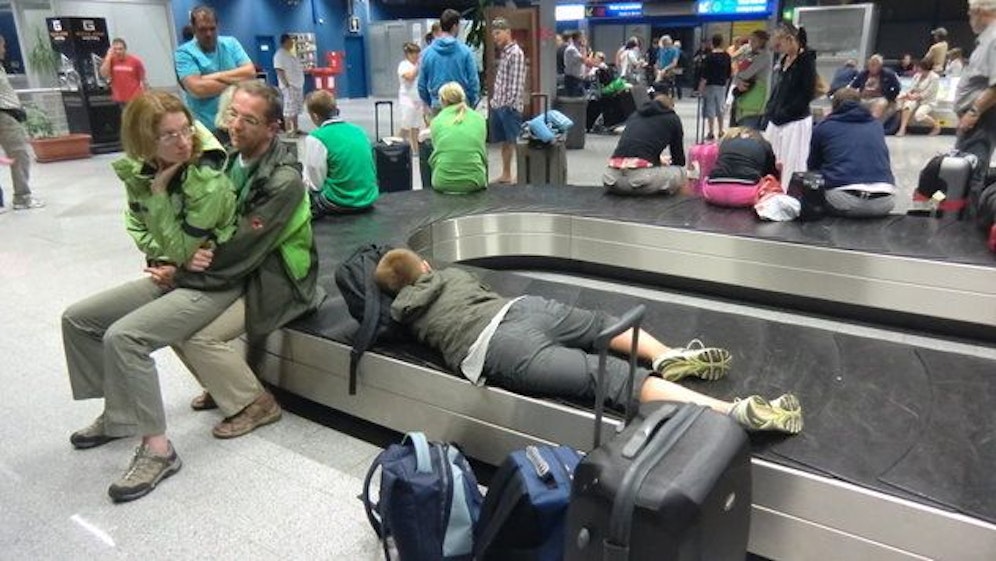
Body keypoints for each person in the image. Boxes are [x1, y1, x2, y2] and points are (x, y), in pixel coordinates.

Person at [374, 248, 804, 434]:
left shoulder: (402, 314)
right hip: (523, 309)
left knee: (612, 380)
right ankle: (666, 354)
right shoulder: (452, 275)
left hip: (498, 348)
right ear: (425, 266)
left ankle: (732, 412)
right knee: (602, 324)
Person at [62, 91, 240, 502]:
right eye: (169, 135)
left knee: (125, 337)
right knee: (78, 319)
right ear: (144, 140)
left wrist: (161, 201)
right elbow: (140, 228)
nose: (183, 142)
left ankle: (158, 449)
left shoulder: (206, 177)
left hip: (213, 281)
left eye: (186, 130)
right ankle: (120, 414)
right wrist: (168, 258)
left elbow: (187, 249)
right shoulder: (138, 171)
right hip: (174, 273)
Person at [175, 80, 323, 438]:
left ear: (273, 128)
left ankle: (257, 404)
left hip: (278, 277)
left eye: (249, 120)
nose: (235, 126)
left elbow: (242, 246)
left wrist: (184, 273)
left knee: (198, 335)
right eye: (233, 115)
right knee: (170, 321)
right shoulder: (228, 160)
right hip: (243, 269)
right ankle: (223, 384)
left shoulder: (283, 180)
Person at [808, 88, 896, 218]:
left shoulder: (823, 127)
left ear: (834, 106)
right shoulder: (876, 125)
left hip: (845, 199)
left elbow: (813, 165)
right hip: (885, 201)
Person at [953, 0, 996, 251]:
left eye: (970, 13)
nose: (969, 18)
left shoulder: (994, 39)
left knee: (971, 174)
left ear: (982, 11)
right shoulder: (986, 39)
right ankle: (960, 221)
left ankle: (964, 232)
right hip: (975, 119)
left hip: (981, 120)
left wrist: (973, 111)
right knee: (963, 171)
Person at [174, 6, 255, 135]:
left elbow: (250, 72)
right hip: (207, 128)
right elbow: (198, 89)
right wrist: (238, 82)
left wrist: (214, 76)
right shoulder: (184, 53)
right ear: (193, 28)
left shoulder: (231, 43)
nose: (209, 34)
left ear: (218, 26)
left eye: (212, 28)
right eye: (202, 29)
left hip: (236, 124)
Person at [303, 90, 378, 217]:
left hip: (339, 202)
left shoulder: (317, 138)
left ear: (315, 116)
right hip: (368, 198)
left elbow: (315, 184)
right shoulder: (358, 131)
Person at [764, 22, 818, 191]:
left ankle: (790, 194)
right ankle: (770, 190)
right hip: (777, 119)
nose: (778, 49)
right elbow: (778, 89)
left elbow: (806, 94)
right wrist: (771, 109)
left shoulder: (806, 61)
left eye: (780, 45)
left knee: (792, 163)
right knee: (770, 159)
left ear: (790, 39)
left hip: (795, 120)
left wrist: (785, 112)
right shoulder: (784, 60)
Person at [603, 94, 686, 196]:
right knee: (681, 172)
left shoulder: (635, 115)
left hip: (611, 179)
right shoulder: (673, 118)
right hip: (639, 182)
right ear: (670, 107)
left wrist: (658, 160)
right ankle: (680, 203)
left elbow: (636, 147)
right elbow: (679, 160)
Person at [0, 35, 40, 212]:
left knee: (19, 155)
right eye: (2, 46)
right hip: (4, 116)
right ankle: (22, 197)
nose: (4, 50)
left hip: (9, 114)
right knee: (19, 155)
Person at [418, 9, 480, 114]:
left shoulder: (427, 53)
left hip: (438, 105)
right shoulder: (465, 52)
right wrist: (470, 102)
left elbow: (421, 86)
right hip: (461, 106)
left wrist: (432, 102)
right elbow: (473, 82)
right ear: (455, 26)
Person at [429, 82, 487, 193]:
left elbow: (437, 153)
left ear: (443, 101)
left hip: (442, 182)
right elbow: (482, 152)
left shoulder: (436, 121)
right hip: (475, 181)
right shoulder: (479, 119)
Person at [489, 18, 526, 185]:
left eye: (498, 33)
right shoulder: (505, 53)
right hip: (500, 104)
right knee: (506, 142)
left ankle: (521, 174)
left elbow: (516, 84)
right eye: (493, 34)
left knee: (515, 141)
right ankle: (506, 173)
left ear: (508, 32)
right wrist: (495, 102)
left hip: (509, 107)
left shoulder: (516, 53)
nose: (495, 37)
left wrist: (509, 105)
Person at [732, 30, 772, 129]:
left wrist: (737, 76)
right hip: (742, 98)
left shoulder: (764, 56)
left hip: (754, 97)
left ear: (761, 42)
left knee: (748, 131)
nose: (751, 43)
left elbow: (746, 73)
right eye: (750, 40)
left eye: (754, 41)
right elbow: (733, 59)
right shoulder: (747, 51)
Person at [849, 54, 902, 121]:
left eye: (874, 65)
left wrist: (889, 97)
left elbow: (897, 88)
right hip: (863, 97)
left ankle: (872, 123)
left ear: (880, 66)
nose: (871, 67)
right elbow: (853, 86)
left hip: (879, 98)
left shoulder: (888, 74)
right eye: (870, 64)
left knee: (880, 104)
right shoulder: (863, 74)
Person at [897, 58, 941, 136]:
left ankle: (936, 125)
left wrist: (915, 97)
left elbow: (927, 93)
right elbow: (911, 87)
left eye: (920, 67)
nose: (918, 68)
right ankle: (902, 128)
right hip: (914, 98)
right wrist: (909, 94)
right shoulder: (917, 75)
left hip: (927, 101)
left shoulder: (934, 77)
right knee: (907, 106)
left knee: (919, 115)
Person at [699, 34, 732, 141]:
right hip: (721, 85)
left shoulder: (709, 57)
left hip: (710, 85)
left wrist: (700, 89)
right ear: (722, 42)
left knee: (710, 108)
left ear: (712, 43)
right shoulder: (727, 56)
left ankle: (711, 131)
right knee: (720, 108)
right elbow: (729, 73)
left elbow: (705, 74)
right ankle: (721, 130)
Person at [99, 37, 147, 105]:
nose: (118, 51)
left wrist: (146, 94)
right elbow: (104, 74)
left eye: (120, 49)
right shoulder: (110, 61)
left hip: (135, 98)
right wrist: (108, 56)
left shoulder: (135, 61)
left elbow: (143, 79)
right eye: (115, 49)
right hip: (119, 98)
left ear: (125, 49)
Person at [273, 33, 305, 136]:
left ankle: (295, 129)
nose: (292, 43)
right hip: (289, 86)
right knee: (289, 109)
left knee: (296, 109)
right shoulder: (279, 55)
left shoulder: (290, 54)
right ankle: (288, 131)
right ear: (285, 42)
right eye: (290, 41)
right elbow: (279, 70)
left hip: (297, 85)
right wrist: (286, 84)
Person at [397, 42, 422, 152]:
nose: (416, 56)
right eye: (414, 54)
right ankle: (396, 147)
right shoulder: (403, 65)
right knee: (405, 126)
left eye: (418, 53)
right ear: (408, 54)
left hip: (418, 99)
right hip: (407, 99)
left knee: (416, 127)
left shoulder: (417, 66)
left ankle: (416, 151)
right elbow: (410, 77)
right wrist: (418, 67)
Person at [562, 31, 587, 97]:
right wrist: (584, 47)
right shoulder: (571, 49)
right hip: (572, 80)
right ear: (578, 38)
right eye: (583, 37)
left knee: (582, 99)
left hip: (577, 79)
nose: (584, 39)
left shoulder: (577, 49)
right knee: (574, 100)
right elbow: (584, 59)